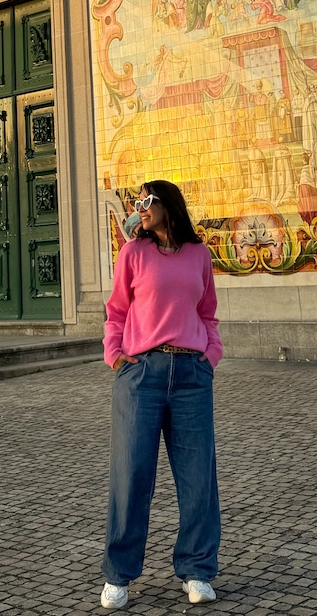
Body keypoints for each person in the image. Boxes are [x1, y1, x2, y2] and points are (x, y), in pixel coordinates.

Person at [101, 180, 222, 609]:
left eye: (147, 201)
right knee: (131, 477)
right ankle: (118, 575)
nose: (140, 208)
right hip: (141, 374)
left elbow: (208, 313)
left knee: (197, 479)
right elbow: (116, 311)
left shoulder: (199, 255)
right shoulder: (132, 253)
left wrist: (211, 356)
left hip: (191, 375)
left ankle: (198, 570)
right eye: (137, 202)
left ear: (168, 205)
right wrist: (115, 356)